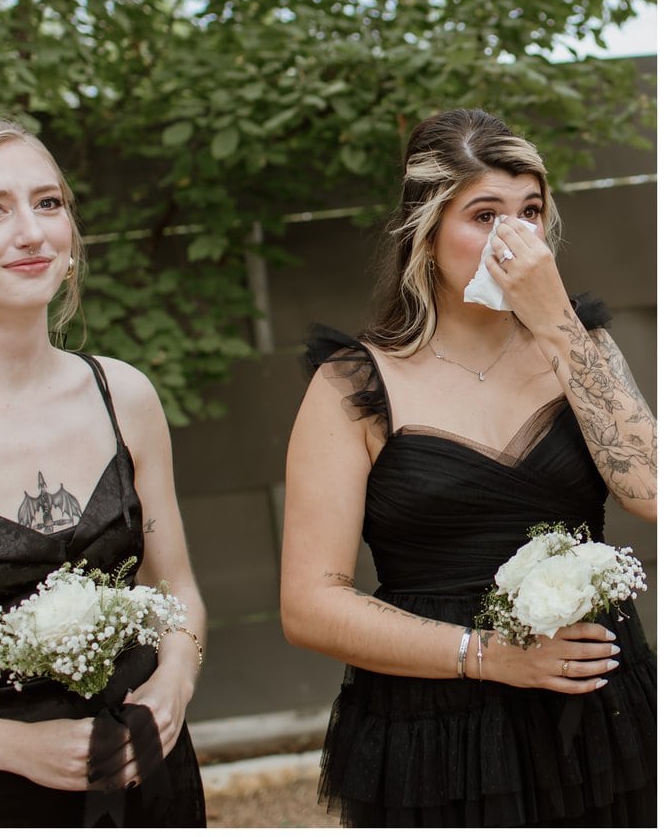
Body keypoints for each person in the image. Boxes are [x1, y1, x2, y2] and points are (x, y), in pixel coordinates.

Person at [281, 107, 656, 827]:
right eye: (484, 215)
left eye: (531, 212)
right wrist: (485, 655)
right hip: (435, 728)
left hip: (598, 707)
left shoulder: (582, 347)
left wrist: (555, 324)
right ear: (426, 232)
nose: (515, 238)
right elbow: (309, 603)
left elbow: (652, 492)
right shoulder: (352, 387)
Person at [0, 117, 207, 827]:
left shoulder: (126, 396)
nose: (31, 231)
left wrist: (175, 680)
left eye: (48, 203)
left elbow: (175, 589)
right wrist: (18, 748)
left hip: (147, 780)